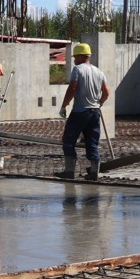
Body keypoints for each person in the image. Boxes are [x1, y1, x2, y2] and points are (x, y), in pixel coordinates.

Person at [57, 43, 110, 180]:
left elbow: (72, 88)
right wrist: (100, 103)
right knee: (92, 142)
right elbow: (106, 92)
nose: (74, 59)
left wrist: (64, 106)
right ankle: (94, 172)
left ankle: (69, 171)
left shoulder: (77, 69)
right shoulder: (99, 72)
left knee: (68, 140)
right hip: (94, 113)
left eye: (75, 57)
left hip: (80, 112)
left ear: (81, 56)